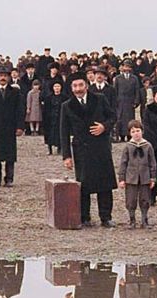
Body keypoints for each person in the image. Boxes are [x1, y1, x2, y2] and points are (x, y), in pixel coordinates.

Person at [60, 71, 118, 228]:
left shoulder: (99, 99)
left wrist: (104, 127)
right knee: (83, 185)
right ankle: (84, 217)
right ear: (71, 88)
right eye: (75, 86)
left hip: (101, 147)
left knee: (104, 183)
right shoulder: (66, 106)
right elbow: (63, 132)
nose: (78, 88)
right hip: (81, 149)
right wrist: (66, 156)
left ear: (86, 85)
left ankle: (106, 217)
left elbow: (113, 116)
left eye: (80, 85)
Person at [118, 120, 157, 229]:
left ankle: (144, 220)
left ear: (142, 131)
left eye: (138, 131)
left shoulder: (148, 146)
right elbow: (123, 163)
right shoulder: (128, 146)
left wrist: (153, 178)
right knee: (131, 199)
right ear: (130, 133)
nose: (136, 133)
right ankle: (132, 220)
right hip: (131, 177)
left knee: (145, 198)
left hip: (145, 177)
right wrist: (122, 178)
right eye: (133, 131)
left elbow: (152, 163)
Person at [113, 59, 140, 142]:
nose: (127, 68)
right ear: (122, 67)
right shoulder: (118, 78)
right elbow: (115, 90)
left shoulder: (134, 78)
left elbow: (137, 90)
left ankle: (129, 136)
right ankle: (121, 136)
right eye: (125, 66)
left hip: (130, 101)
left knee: (130, 119)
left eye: (128, 66)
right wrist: (115, 101)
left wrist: (136, 101)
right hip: (120, 101)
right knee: (120, 119)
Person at [42, 80, 68, 155]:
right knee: (49, 134)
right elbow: (45, 109)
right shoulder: (48, 98)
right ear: (53, 88)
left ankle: (59, 149)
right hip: (50, 118)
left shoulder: (64, 97)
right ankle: (50, 149)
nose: (57, 88)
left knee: (59, 133)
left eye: (58, 86)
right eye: (55, 86)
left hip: (60, 118)